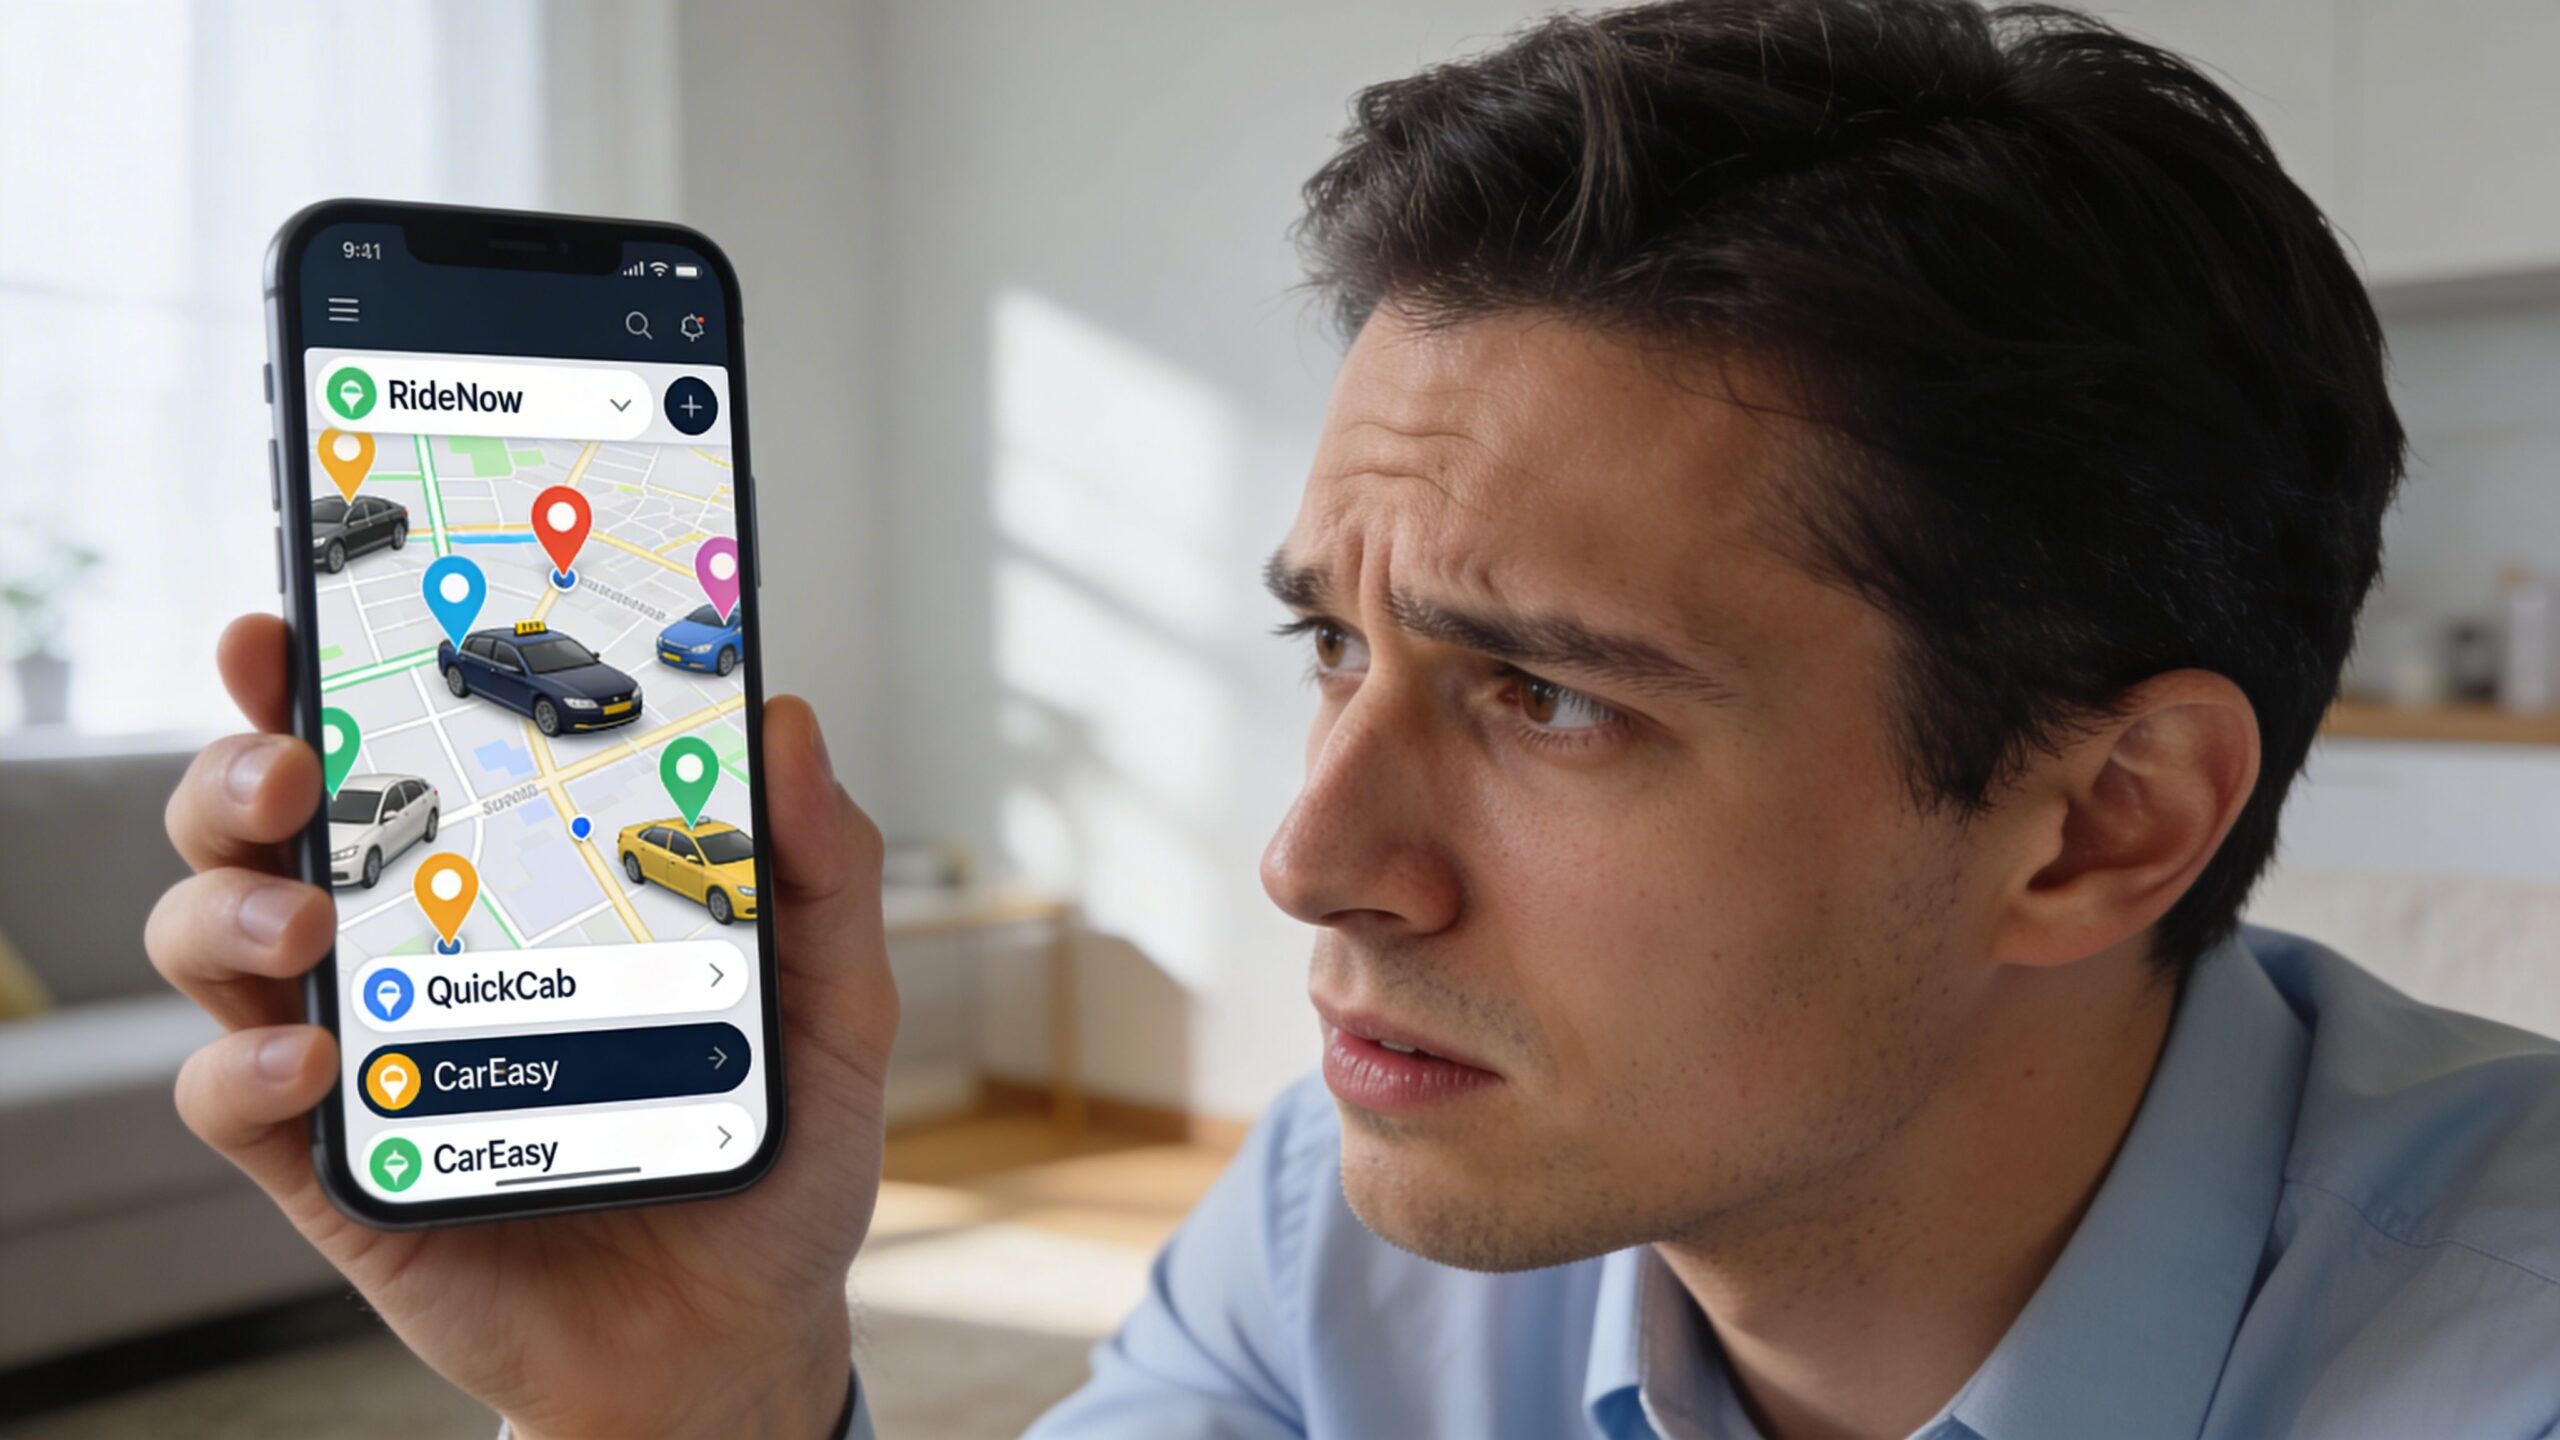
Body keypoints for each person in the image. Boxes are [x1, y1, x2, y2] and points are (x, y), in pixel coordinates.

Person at [149, 1, 2560, 1437]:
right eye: (1331, 643)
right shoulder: (1358, 1234)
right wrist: (698, 1401)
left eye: (1543, 695)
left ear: (2096, 825)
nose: (1306, 859)